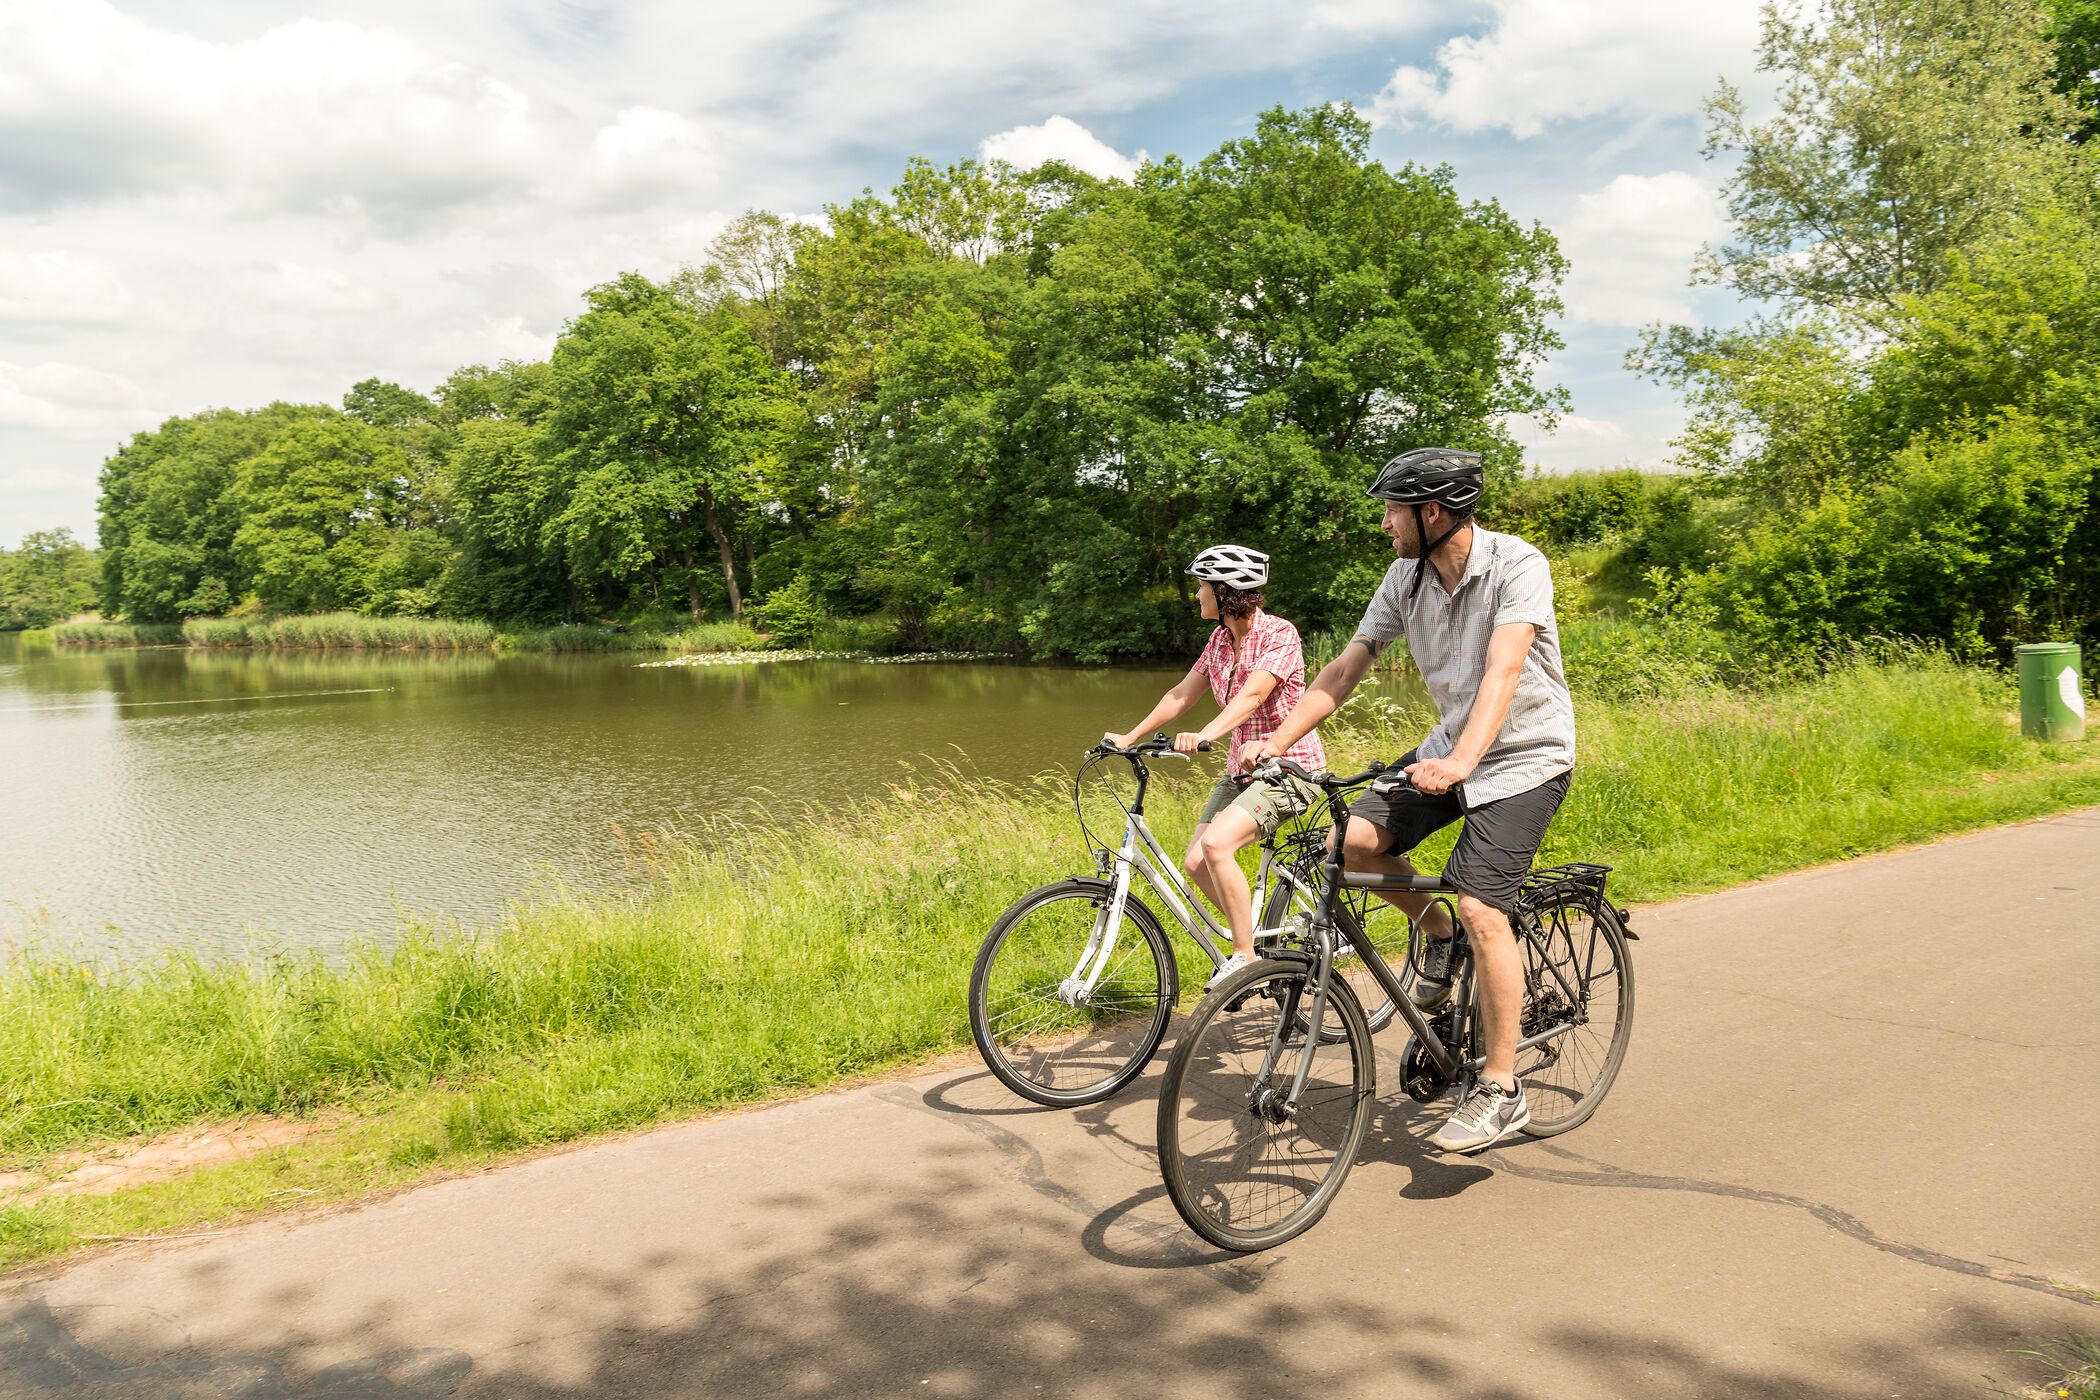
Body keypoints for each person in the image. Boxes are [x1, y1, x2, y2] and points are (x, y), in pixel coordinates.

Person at [1247, 448, 1576, 1153]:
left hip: (1524, 758)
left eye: (1393, 509)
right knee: (1352, 847)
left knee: (1486, 904)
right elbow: (1348, 665)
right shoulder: (1406, 576)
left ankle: (1501, 1087)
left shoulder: (1518, 564)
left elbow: (1505, 666)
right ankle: (1438, 932)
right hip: (1448, 749)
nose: (1385, 524)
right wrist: (1280, 738)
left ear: (1433, 513)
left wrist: (1463, 762)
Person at [1104, 545, 1327, 991]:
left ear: (1226, 592)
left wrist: (1205, 734)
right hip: (1240, 772)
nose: (1197, 595)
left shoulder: (1279, 634)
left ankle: (1245, 959)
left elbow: (1253, 696)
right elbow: (1181, 694)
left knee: (1218, 846)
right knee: (1196, 861)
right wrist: (1129, 737)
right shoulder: (1219, 640)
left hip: (1289, 769)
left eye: (1202, 586)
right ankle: (1258, 945)